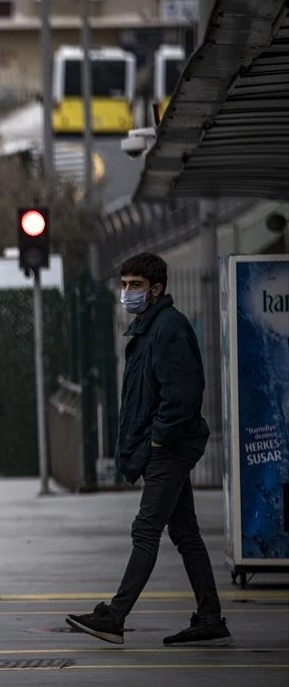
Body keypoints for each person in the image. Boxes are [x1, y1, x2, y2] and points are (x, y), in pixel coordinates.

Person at [66, 253, 231, 647]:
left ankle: (116, 616)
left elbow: (184, 392)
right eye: (123, 285)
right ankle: (210, 617)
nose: (127, 293)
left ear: (157, 290)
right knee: (186, 534)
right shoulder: (148, 326)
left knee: (146, 530)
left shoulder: (169, 328)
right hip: (164, 446)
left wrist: (158, 439)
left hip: (170, 448)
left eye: (135, 286)